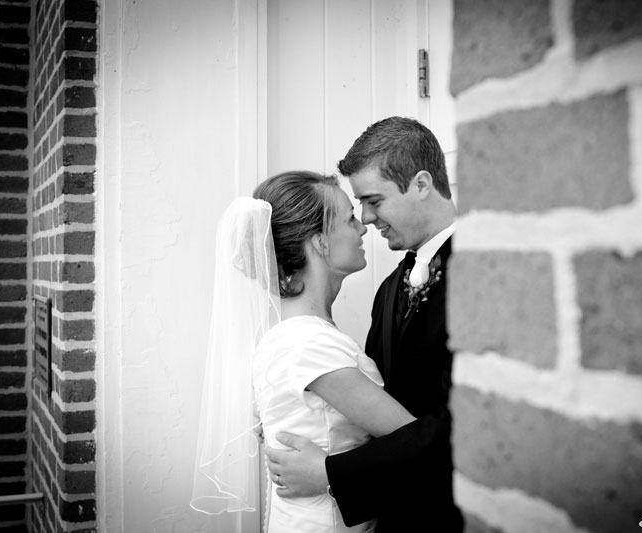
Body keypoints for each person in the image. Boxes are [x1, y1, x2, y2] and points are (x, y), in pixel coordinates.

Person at [265, 117, 464, 532]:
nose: (368, 219)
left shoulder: (489, 269)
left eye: (374, 201)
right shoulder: (389, 289)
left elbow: (472, 423)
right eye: (357, 209)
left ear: (422, 184)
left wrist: (333, 472)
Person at [191, 171, 417, 532]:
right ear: (320, 241)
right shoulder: (307, 345)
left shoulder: (295, 336)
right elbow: (415, 444)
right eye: (349, 218)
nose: (363, 227)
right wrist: (330, 473)